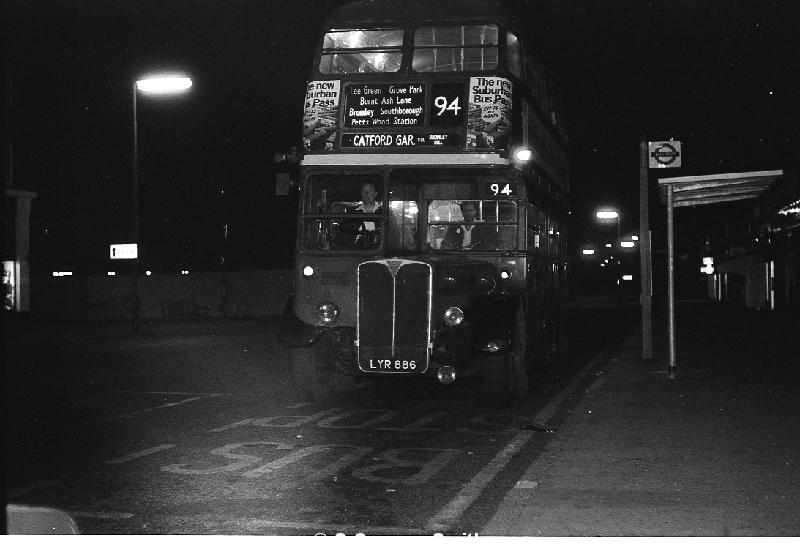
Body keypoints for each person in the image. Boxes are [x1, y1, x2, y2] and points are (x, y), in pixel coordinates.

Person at [340, 181, 382, 248]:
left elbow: (393, 235)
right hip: (357, 252)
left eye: (370, 191)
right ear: (361, 194)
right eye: (364, 191)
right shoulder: (351, 213)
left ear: (375, 194)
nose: (366, 193)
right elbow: (344, 236)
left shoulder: (384, 212)